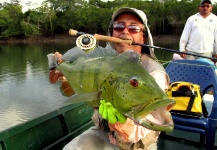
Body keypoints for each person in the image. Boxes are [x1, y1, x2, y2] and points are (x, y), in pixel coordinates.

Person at [49, 7, 169, 150]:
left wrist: (120, 123)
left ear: (144, 37)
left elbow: (143, 131)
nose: (125, 32)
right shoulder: (105, 61)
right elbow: (76, 91)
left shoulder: (154, 74)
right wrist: (64, 72)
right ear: (111, 33)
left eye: (134, 28)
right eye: (119, 26)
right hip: (105, 134)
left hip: (137, 146)